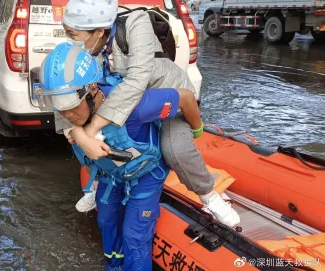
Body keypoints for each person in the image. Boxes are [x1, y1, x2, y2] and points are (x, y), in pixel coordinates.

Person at [56, 0, 240, 227]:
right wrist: (83, 136)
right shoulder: (81, 49)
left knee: (175, 148)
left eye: (72, 34)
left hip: (165, 95)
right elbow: (61, 91)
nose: (68, 41)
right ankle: (94, 188)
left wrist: (92, 129)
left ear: (98, 32)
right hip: (126, 103)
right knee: (91, 141)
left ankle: (208, 196)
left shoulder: (136, 23)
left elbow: (136, 81)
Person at [37, 42, 204, 270]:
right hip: (111, 173)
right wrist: (81, 135)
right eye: (59, 107)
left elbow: (185, 98)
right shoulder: (70, 113)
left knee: (134, 235)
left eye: (70, 106)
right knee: (106, 220)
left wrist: (197, 129)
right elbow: (69, 118)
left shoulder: (134, 105)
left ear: (92, 89)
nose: (66, 115)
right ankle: (114, 265)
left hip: (146, 174)